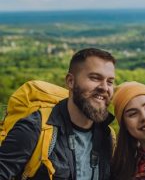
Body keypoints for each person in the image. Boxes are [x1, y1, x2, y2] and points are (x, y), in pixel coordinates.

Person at [0, 48, 116, 180]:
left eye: (110, 82)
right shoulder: (34, 129)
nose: (104, 88)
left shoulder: (108, 137)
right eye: (95, 78)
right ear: (70, 81)